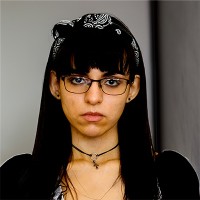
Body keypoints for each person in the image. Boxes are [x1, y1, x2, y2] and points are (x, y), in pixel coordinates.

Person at [0, 13, 199, 200]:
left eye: (112, 82)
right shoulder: (17, 179)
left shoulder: (171, 176)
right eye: (78, 80)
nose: (93, 98)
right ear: (55, 84)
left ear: (133, 88)